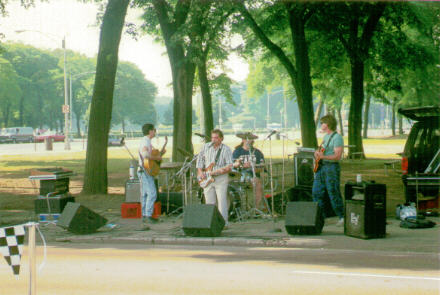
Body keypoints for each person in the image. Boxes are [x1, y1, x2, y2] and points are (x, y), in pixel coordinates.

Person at [312, 114, 345, 226]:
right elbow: (322, 150)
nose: (321, 125)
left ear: (329, 124)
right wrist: (317, 153)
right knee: (316, 191)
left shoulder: (337, 138)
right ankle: (320, 216)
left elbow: (337, 156)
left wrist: (323, 157)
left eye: (323, 123)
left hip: (331, 167)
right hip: (322, 167)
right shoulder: (325, 137)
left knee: (333, 191)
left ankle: (342, 216)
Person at [196, 129, 233, 227]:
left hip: (220, 178)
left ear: (221, 139)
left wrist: (219, 171)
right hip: (207, 178)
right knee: (209, 202)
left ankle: (223, 223)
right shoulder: (206, 147)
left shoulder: (226, 149)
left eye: (216, 138)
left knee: (222, 201)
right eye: (212, 137)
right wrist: (200, 172)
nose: (214, 140)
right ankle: (211, 222)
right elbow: (199, 161)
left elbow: (229, 166)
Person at [138, 123, 165, 229]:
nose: (155, 132)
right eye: (154, 130)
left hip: (144, 170)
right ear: (150, 131)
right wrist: (156, 159)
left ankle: (144, 215)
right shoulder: (145, 141)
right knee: (152, 193)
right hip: (145, 170)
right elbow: (145, 155)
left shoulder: (147, 141)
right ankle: (148, 215)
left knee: (145, 194)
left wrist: (159, 155)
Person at [232, 133, 265, 210]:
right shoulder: (237, 151)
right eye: (246, 139)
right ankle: (241, 208)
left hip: (253, 176)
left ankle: (257, 208)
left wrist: (253, 167)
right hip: (239, 176)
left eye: (250, 139)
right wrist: (242, 165)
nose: (248, 141)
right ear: (243, 140)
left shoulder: (257, 152)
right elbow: (233, 165)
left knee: (258, 183)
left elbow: (262, 167)